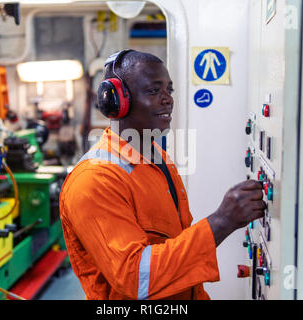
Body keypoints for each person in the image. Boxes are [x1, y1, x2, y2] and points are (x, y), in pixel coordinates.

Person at [59, 49, 266, 300]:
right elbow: (136, 279)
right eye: (154, 90)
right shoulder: (95, 180)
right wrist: (222, 221)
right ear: (116, 101)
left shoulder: (156, 158)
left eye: (169, 90)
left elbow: (175, 251)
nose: (167, 99)